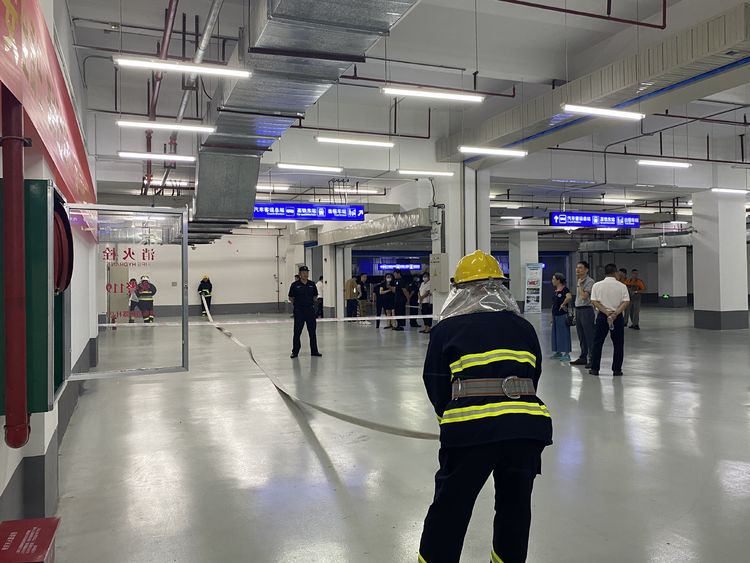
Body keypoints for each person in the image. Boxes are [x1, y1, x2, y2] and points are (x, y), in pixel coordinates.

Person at [418, 250, 552, 563]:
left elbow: (435, 383)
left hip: (470, 432)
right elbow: (533, 376)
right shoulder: (523, 327)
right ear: (499, 288)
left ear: (460, 289)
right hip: (526, 430)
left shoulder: (446, 330)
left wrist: (447, 419)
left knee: (450, 509)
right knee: (514, 510)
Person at [589, 264, 630, 376]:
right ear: (615, 273)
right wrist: (615, 313)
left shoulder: (597, 285)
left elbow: (594, 301)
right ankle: (617, 370)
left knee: (598, 342)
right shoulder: (622, 286)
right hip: (617, 317)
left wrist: (606, 312)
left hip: (602, 316)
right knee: (618, 343)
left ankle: (595, 368)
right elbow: (626, 301)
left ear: (605, 273)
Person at [288, 266, 322, 359]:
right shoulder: (294, 285)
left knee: (312, 332)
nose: (305, 274)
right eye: (303, 272)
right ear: (300, 274)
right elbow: (291, 297)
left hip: (310, 310)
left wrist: (310, 304)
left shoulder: (312, 284)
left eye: (307, 272)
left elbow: (315, 296)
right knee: (297, 332)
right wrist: (297, 305)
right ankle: (295, 351)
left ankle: (314, 351)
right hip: (299, 311)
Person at [570, 261, 596, 368]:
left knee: (589, 335)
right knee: (581, 336)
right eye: (577, 267)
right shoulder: (579, 280)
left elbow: (584, 296)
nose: (577, 270)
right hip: (579, 310)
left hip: (587, 310)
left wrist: (580, 285)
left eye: (580, 268)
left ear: (586, 270)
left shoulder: (590, 281)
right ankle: (583, 357)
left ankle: (592, 359)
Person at [550, 273, 572, 362]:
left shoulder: (565, 289)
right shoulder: (556, 291)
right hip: (555, 315)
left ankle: (567, 354)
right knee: (556, 334)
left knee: (564, 334)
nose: (552, 281)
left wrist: (563, 304)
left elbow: (569, 297)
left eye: (553, 279)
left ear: (558, 280)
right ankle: (558, 352)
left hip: (562, 315)